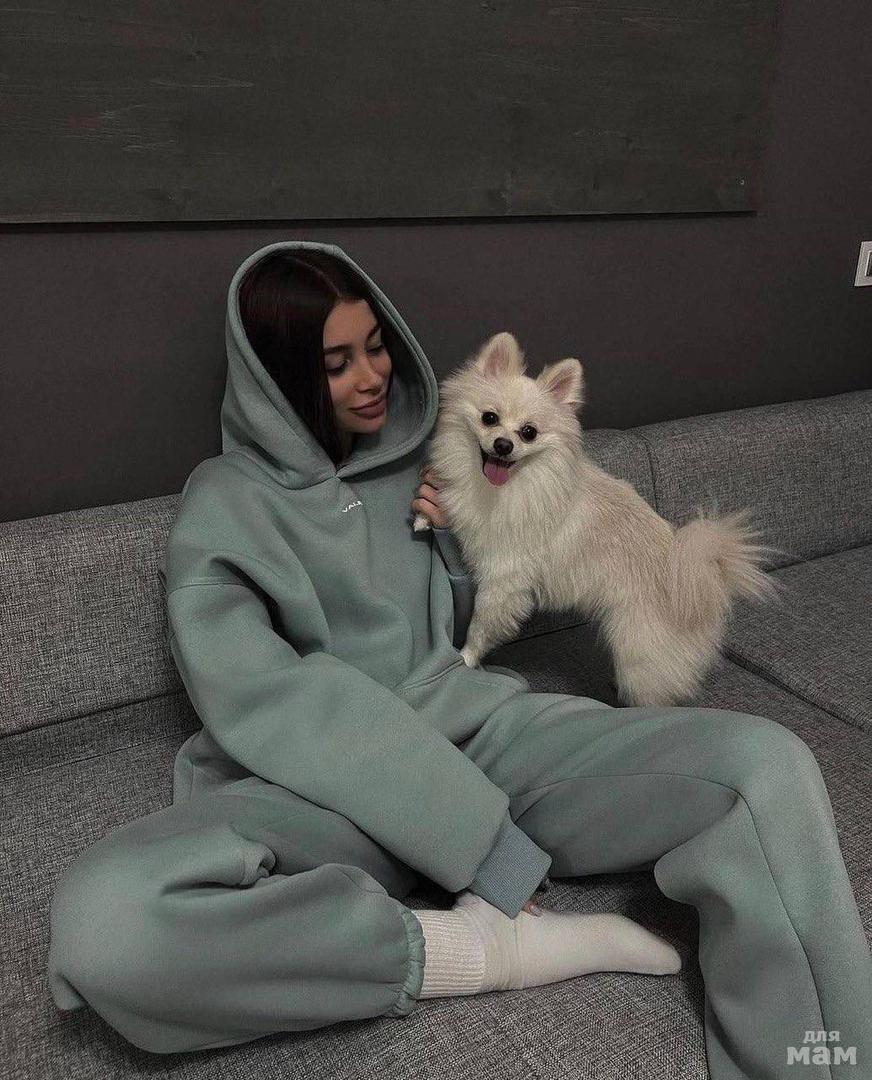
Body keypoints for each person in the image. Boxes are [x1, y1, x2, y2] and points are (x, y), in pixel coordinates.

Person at [47, 241, 871, 1077]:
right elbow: (266, 695)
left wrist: (455, 543)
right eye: (336, 362)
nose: (372, 376)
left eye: (376, 346)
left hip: (484, 736)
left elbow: (474, 615)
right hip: (318, 791)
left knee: (764, 768)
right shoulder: (223, 505)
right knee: (109, 925)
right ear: (278, 377)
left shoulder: (440, 456)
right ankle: (484, 948)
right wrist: (481, 848)